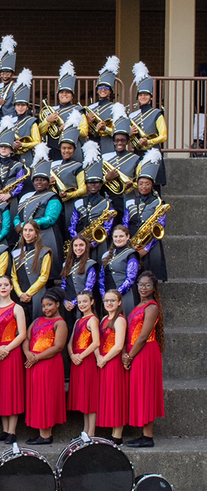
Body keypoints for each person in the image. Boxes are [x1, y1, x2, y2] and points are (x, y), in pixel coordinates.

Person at [123, 271, 165, 447]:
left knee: (146, 391)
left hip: (145, 351)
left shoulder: (152, 307)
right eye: (141, 284)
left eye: (148, 285)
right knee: (141, 390)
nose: (143, 288)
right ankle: (144, 434)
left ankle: (148, 437)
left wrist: (129, 356)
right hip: (137, 351)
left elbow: (143, 335)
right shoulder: (140, 305)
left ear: (154, 288)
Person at [23, 288, 68, 444]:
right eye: (44, 306)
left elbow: (58, 347)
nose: (46, 309)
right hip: (34, 362)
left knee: (46, 396)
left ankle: (46, 435)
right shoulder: (37, 321)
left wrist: (36, 357)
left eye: (49, 305)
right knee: (37, 396)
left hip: (49, 364)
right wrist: (28, 354)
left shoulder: (60, 323)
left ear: (57, 304)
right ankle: (41, 432)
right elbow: (27, 338)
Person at [0, 276, 27, 444]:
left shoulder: (17, 308)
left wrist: (7, 349)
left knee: (12, 389)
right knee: (1, 390)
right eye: (0, 285)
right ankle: (4, 430)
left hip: (12, 352)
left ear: (11, 287)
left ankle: (12, 431)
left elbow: (23, 334)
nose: (3, 287)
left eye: (6, 285)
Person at [15, 145, 63, 277]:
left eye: (42, 180)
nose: (39, 182)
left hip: (47, 236)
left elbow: (50, 219)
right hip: (28, 238)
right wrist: (17, 224)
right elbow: (18, 215)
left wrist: (25, 225)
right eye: (36, 180)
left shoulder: (53, 198)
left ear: (48, 182)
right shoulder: (26, 196)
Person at [124, 149, 168, 281]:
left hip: (151, 244)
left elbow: (160, 225)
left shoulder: (158, 203)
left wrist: (146, 248)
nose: (143, 187)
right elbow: (125, 222)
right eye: (141, 184)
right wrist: (129, 241)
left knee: (151, 277)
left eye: (147, 184)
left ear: (152, 185)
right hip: (132, 242)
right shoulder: (130, 201)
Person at [96, 288, 129, 445]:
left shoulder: (120, 320)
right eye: (106, 300)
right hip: (104, 361)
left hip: (113, 362)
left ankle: (117, 435)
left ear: (119, 302)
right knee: (108, 395)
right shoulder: (103, 319)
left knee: (116, 395)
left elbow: (118, 345)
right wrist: (99, 358)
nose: (109, 303)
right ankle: (112, 433)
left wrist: (104, 359)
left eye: (112, 300)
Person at [67, 290, 100, 438]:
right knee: (83, 396)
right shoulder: (77, 321)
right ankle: (85, 431)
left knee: (90, 396)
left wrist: (80, 356)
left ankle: (91, 432)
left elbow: (96, 342)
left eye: (85, 301)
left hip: (86, 360)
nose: (82, 305)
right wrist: (72, 355)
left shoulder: (93, 319)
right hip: (77, 360)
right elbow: (70, 342)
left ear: (92, 302)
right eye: (79, 302)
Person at [129, 62, 168, 189]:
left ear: (150, 97)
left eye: (146, 95)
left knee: (154, 187)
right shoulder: (132, 116)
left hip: (153, 153)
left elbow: (164, 136)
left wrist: (149, 142)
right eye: (141, 95)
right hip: (138, 153)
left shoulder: (157, 113)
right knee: (141, 187)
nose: (143, 97)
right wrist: (129, 133)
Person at [40, 61, 86, 161]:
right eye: (62, 92)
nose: (64, 95)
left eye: (67, 93)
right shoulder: (51, 111)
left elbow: (84, 132)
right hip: (54, 149)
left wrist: (69, 128)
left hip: (73, 149)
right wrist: (47, 121)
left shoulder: (78, 110)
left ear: (72, 95)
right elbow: (41, 132)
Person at [11, 220, 52, 320]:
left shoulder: (45, 252)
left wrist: (28, 294)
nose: (27, 233)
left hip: (36, 296)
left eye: (31, 230)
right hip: (20, 297)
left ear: (36, 233)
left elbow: (44, 277)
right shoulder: (16, 253)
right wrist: (20, 294)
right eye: (25, 230)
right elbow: (13, 276)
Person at [100, 225, 140, 316]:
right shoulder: (106, 255)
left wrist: (117, 295)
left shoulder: (131, 254)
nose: (118, 239)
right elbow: (101, 277)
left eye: (121, 236)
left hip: (125, 295)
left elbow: (130, 279)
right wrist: (105, 296)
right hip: (108, 296)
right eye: (116, 236)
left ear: (128, 237)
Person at [86, 56, 120, 155]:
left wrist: (105, 129)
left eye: (106, 88)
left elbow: (118, 131)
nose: (103, 90)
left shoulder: (115, 108)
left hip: (108, 144)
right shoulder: (91, 108)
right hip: (93, 145)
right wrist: (87, 121)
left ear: (110, 91)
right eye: (100, 87)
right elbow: (82, 131)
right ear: (97, 90)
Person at [61, 235, 97, 319]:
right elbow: (63, 285)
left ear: (86, 247)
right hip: (67, 305)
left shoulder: (90, 264)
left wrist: (74, 303)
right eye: (75, 245)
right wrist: (65, 301)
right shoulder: (66, 265)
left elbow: (88, 288)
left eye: (81, 245)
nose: (78, 248)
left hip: (82, 305)